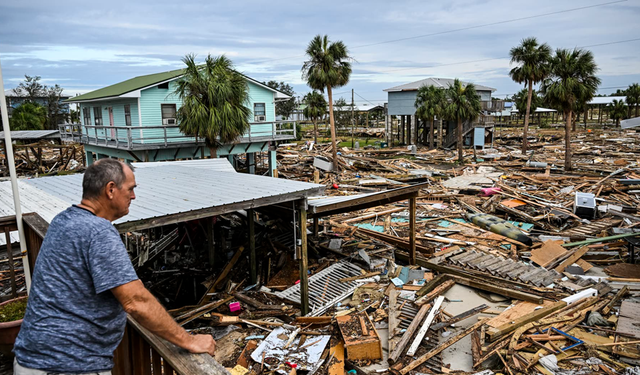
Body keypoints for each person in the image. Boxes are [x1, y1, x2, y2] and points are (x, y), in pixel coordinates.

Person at [14, 159, 215, 374]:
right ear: (111, 189)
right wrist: (189, 341)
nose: (133, 196)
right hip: (68, 365)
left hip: (32, 359)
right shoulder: (98, 231)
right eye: (130, 189)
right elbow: (135, 301)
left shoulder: (63, 220)